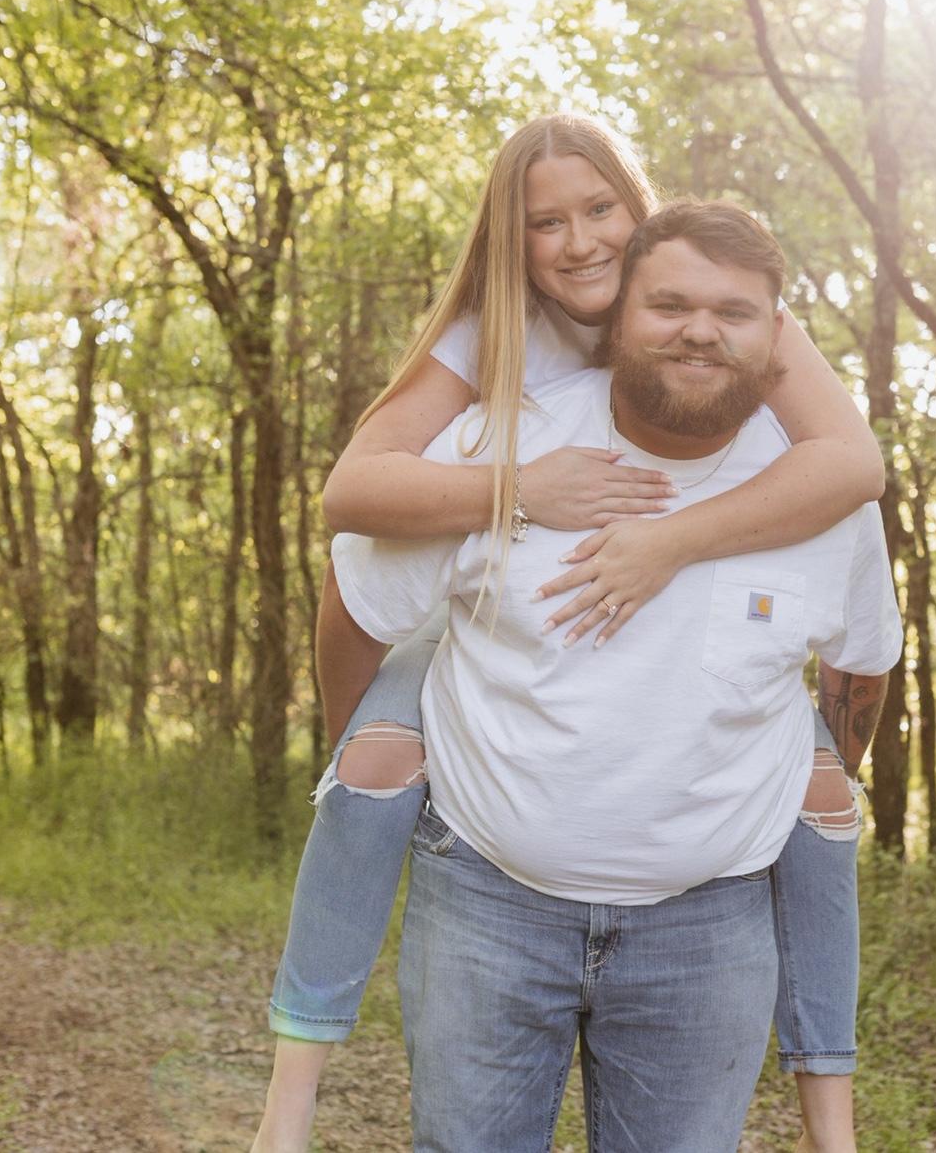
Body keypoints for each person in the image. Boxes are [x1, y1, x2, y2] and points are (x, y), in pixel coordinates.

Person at [250, 116, 887, 1153]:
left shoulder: (719, 305)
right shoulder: (486, 341)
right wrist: (516, 489)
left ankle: (832, 1112)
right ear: (513, 243)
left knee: (822, 799)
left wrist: (669, 542)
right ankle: (288, 1099)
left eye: (600, 210)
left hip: (703, 899)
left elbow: (855, 467)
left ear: (639, 218)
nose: (580, 241)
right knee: (370, 771)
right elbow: (352, 504)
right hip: (473, 714)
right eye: (546, 222)